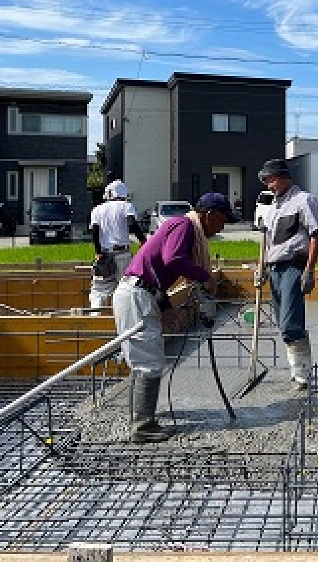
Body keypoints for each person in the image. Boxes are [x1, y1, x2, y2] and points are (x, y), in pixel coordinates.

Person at [112, 191, 234, 443]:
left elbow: (156, 270)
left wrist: (166, 307)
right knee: (149, 363)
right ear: (209, 215)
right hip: (137, 295)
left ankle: (139, 417)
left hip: (140, 292)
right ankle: (143, 426)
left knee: (142, 359)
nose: (222, 226)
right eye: (222, 220)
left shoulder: (181, 225)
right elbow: (173, 259)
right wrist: (204, 276)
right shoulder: (184, 225)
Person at [255, 158, 318, 390]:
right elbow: (267, 242)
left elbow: (315, 235)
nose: (269, 185)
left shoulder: (303, 201)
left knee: (290, 321)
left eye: (271, 180)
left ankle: (303, 373)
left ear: (284, 177)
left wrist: (309, 270)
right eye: (266, 181)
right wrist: (262, 267)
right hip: (275, 268)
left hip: (293, 266)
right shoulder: (273, 207)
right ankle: (297, 369)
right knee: (282, 322)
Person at [89, 180, 147, 309]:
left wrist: (98, 252)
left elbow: (95, 232)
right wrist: (143, 241)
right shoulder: (126, 206)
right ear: (123, 194)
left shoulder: (97, 210)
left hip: (104, 255)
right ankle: (125, 319)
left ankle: (94, 319)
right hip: (123, 254)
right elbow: (132, 224)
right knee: (126, 288)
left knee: (100, 291)